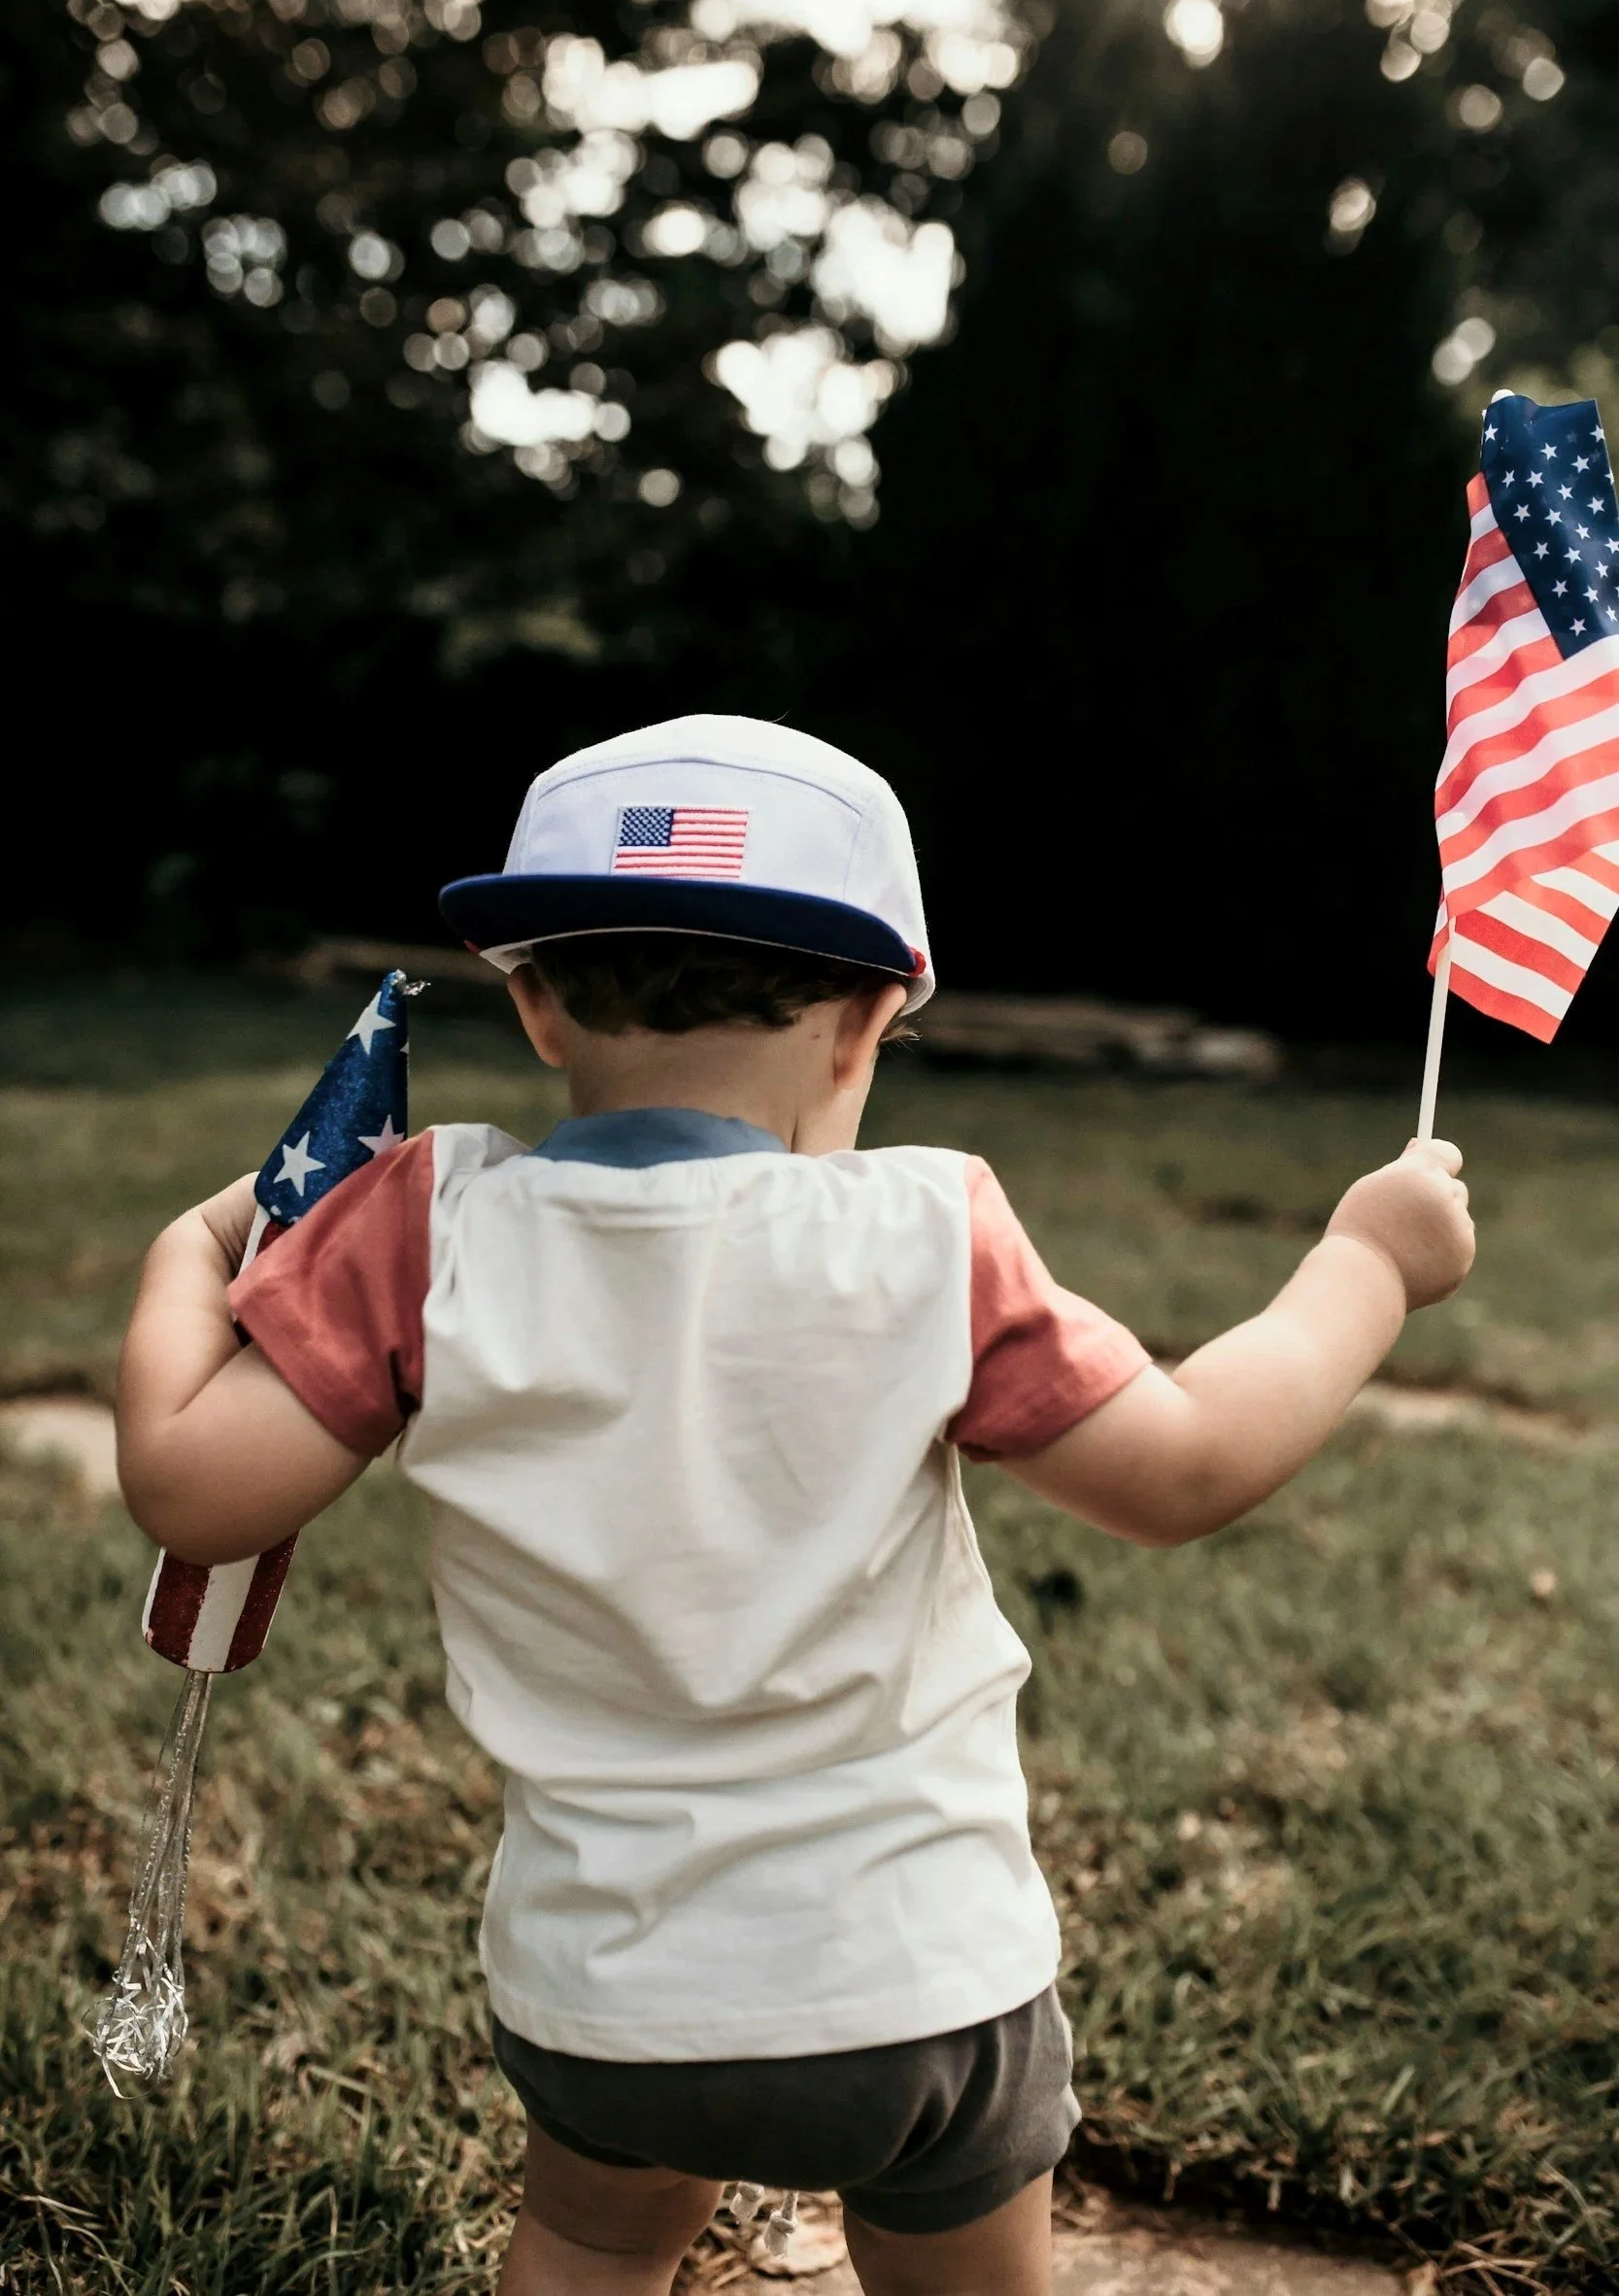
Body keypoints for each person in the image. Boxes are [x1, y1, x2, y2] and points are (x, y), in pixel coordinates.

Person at [117, 715, 1475, 2296]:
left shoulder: (431, 1229)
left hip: (599, 1999)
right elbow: (1181, 1473)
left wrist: (182, 1257)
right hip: (917, 1985)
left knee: (584, 2249)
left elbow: (193, 1494)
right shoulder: (922, 1230)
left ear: (538, 1001)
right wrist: (1364, 1266)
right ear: (868, 1020)